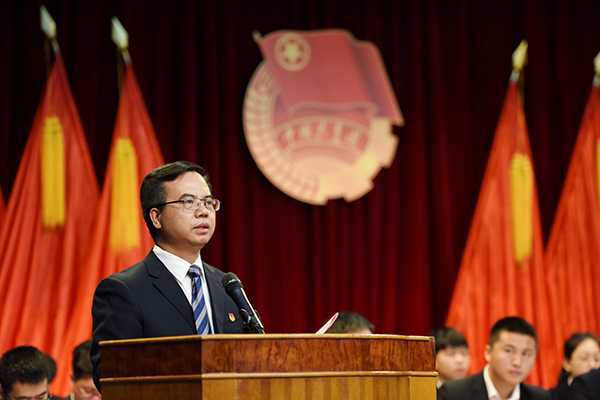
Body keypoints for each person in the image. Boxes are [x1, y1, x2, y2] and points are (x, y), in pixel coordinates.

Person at [91, 161, 245, 391]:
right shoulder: (123, 290)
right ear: (156, 217)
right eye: (189, 202)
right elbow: (114, 377)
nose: (203, 211)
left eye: (207, 202)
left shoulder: (227, 285)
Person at [438, 316, 550, 400]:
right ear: (488, 353)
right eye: (509, 351)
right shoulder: (454, 394)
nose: (517, 362)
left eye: (526, 354)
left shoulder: (540, 397)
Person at [550, 333, 600, 400]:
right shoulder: (552, 396)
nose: (592, 365)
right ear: (567, 363)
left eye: (597, 359)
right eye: (584, 358)